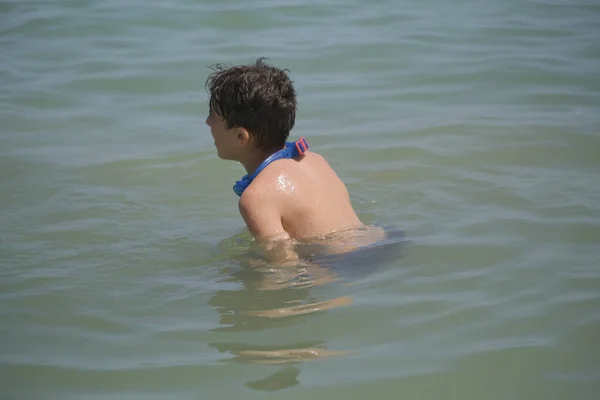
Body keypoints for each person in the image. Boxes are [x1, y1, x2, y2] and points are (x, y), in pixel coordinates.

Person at [205, 58, 385, 263]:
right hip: (378, 242)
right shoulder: (314, 159)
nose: (207, 122)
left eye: (213, 116)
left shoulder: (255, 197)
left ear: (241, 137)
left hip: (343, 264)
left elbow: (283, 265)